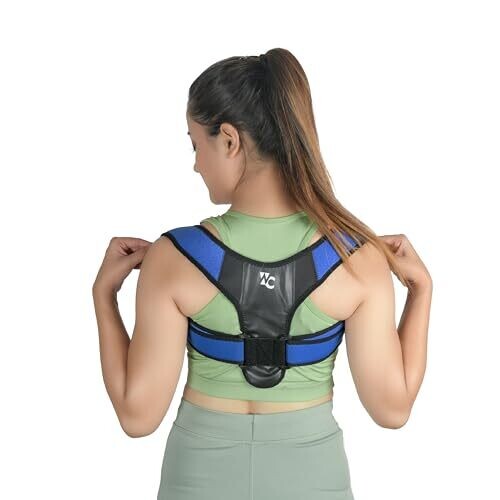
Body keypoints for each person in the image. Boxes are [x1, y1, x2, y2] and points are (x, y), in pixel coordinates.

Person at [92, 48, 433, 500]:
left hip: (198, 479)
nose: (195, 163)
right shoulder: (355, 258)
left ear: (229, 140)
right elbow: (393, 409)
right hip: (313, 481)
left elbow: (138, 417)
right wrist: (421, 291)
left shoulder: (173, 258)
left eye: (195, 145)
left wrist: (104, 297)